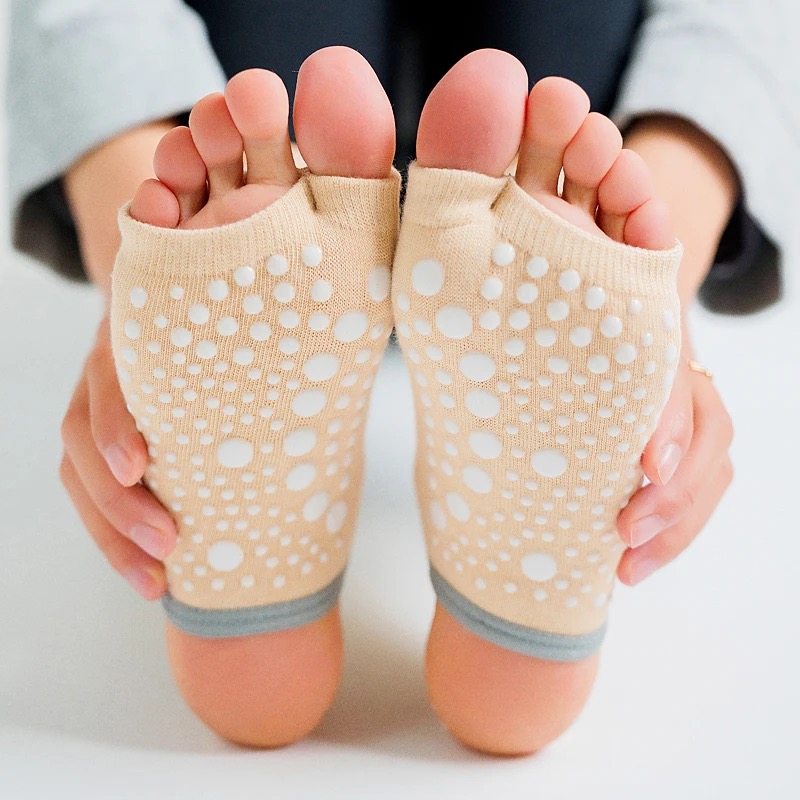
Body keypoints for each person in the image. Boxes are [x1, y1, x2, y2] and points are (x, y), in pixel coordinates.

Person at [5, 0, 797, 756]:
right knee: (523, 99)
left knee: (296, 99)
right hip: (518, 236)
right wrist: (652, 262)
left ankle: (253, 582)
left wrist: (139, 251)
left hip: (305, 216)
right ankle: (521, 598)